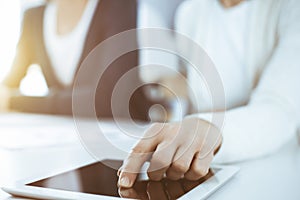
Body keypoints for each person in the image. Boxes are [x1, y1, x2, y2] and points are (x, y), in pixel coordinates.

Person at [117, 0, 300, 189]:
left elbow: (281, 109)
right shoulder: (190, 12)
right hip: (205, 173)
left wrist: (208, 127)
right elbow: (196, 96)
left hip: (273, 172)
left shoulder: (290, 8)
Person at [1, 0, 150, 120]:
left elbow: (107, 100)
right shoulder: (33, 18)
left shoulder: (117, 6)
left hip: (122, 137)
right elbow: (9, 85)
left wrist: (15, 101)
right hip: (68, 134)